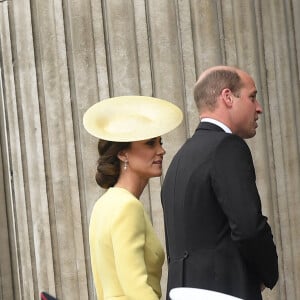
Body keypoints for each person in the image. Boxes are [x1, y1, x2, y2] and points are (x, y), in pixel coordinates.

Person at [161, 66, 279, 300]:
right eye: (252, 97)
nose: (259, 108)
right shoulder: (227, 147)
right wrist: (267, 272)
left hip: (180, 292)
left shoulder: (179, 160)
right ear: (227, 97)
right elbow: (248, 227)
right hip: (224, 290)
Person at [83, 96, 183, 300]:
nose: (161, 150)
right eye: (150, 143)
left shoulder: (104, 204)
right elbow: (136, 287)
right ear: (122, 154)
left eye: (160, 142)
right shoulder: (127, 207)